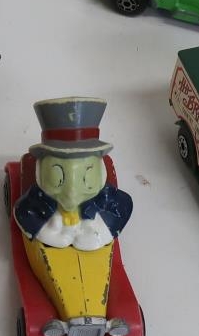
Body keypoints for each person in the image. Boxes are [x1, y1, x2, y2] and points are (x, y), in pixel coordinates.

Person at [13, 97, 132, 252]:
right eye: (58, 178)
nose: (71, 193)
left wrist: (99, 233)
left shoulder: (106, 199)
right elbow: (24, 212)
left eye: (87, 177)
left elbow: (122, 208)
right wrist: (49, 232)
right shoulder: (37, 200)